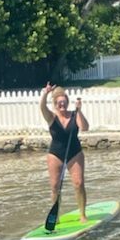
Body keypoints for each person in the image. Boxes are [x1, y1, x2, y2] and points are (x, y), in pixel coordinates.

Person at [40, 83, 90, 222]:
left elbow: (85, 128)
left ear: (67, 102)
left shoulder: (74, 115)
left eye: (64, 102)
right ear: (55, 104)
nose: (62, 105)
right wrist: (45, 93)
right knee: (55, 186)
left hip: (75, 152)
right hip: (56, 153)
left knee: (79, 183)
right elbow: (42, 107)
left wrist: (79, 110)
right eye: (59, 103)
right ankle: (55, 217)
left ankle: (82, 215)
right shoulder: (51, 117)